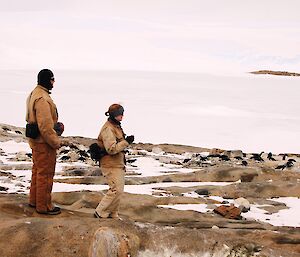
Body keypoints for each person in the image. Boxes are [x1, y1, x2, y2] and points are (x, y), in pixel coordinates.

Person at [26, 69, 66, 215]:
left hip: (35, 140)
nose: (54, 83)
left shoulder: (34, 93)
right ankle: (44, 206)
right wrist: (56, 142)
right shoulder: (42, 98)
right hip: (44, 143)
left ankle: (34, 200)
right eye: (52, 80)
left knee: (37, 171)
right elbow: (45, 127)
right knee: (46, 174)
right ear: (47, 80)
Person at [94, 104, 134, 219]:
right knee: (115, 189)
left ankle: (112, 213)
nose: (121, 115)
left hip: (117, 163)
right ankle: (100, 212)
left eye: (122, 112)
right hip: (110, 163)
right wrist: (126, 142)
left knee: (119, 190)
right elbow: (111, 149)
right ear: (112, 115)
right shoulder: (108, 128)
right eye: (118, 113)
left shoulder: (116, 126)